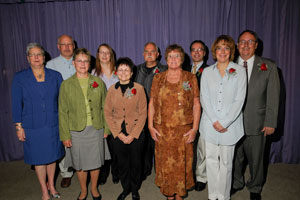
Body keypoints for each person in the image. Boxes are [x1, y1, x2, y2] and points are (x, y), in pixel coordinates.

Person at [11, 43, 64, 200]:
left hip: (53, 124)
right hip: (32, 126)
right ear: (28, 58)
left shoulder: (55, 75)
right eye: (32, 55)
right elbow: (16, 103)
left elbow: (62, 101)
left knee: (52, 156)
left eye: (39, 54)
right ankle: (44, 190)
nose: (36, 57)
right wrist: (18, 126)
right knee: (39, 159)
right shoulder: (20, 78)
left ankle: (52, 186)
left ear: (44, 57)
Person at [232, 30, 280, 200]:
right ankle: (236, 183)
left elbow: (273, 97)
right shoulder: (229, 65)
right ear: (237, 45)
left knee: (257, 159)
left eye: (250, 41)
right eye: (242, 42)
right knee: (235, 157)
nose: (245, 45)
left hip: (258, 123)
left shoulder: (269, 66)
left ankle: (255, 186)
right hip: (232, 123)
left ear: (256, 45)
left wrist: (270, 122)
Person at [148, 44, 201, 200]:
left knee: (181, 166)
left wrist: (194, 129)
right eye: (170, 56)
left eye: (177, 56)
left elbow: (196, 104)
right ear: (165, 58)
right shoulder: (158, 78)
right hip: (162, 131)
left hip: (183, 132)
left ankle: (179, 196)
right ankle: (169, 196)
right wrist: (150, 126)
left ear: (182, 59)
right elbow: (151, 103)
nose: (173, 59)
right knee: (165, 165)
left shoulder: (190, 78)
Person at [59, 48, 110, 200]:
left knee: (95, 162)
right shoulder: (66, 85)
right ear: (73, 63)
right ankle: (83, 190)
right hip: (76, 131)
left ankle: (94, 189)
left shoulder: (98, 82)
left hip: (96, 128)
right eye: (79, 61)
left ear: (90, 63)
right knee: (79, 163)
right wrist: (65, 135)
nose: (82, 64)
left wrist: (106, 128)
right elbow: (62, 112)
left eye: (86, 61)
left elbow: (105, 107)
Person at [200, 35, 247, 200]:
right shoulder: (206, 72)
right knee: (211, 161)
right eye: (219, 47)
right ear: (214, 51)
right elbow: (204, 98)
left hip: (230, 126)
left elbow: (239, 100)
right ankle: (213, 196)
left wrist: (224, 122)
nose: (223, 51)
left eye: (226, 48)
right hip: (210, 125)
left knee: (227, 163)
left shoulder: (240, 71)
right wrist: (214, 121)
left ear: (231, 51)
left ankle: (224, 196)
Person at [104, 57, 147, 200]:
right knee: (122, 164)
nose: (123, 73)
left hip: (136, 133)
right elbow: (107, 113)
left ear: (131, 72)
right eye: (120, 70)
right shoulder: (111, 90)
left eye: (126, 70)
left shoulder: (139, 89)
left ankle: (135, 189)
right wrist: (118, 134)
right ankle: (125, 188)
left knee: (136, 163)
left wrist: (133, 135)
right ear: (116, 72)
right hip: (118, 134)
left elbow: (143, 114)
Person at [46, 34, 76, 188]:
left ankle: (81, 167)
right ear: (58, 46)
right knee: (64, 140)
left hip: (80, 108)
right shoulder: (50, 65)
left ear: (74, 45)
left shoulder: (81, 61)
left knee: (79, 140)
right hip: (61, 109)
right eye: (63, 44)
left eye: (69, 44)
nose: (66, 47)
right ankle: (66, 173)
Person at [135, 42, 167, 178]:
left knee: (158, 144)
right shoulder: (135, 70)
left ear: (158, 54)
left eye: (152, 51)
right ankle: (145, 169)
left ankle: (160, 171)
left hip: (159, 114)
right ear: (143, 54)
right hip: (139, 114)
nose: (149, 54)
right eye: (146, 51)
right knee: (143, 144)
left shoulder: (165, 70)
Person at [92, 43, 120, 185]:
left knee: (115, 146)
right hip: (101, 116)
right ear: (98, 55)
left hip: (117, 116)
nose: (104, 55)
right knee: (102, 146)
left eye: (107, 52)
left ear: (111, 55)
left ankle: (116, 172)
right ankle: (103, 173)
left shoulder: (119, 72)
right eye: (101, 52)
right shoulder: (93, 73)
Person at [187, 40, 209, 191]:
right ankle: (188, 175)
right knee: (188, 148)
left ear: (205, 53)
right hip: (186, 116)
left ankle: (201, 176)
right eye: (194, 50)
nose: (196, 52)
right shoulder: (184, 70)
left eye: (199, 50)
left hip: (204, 115)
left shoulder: (209, 70)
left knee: (202, 149)